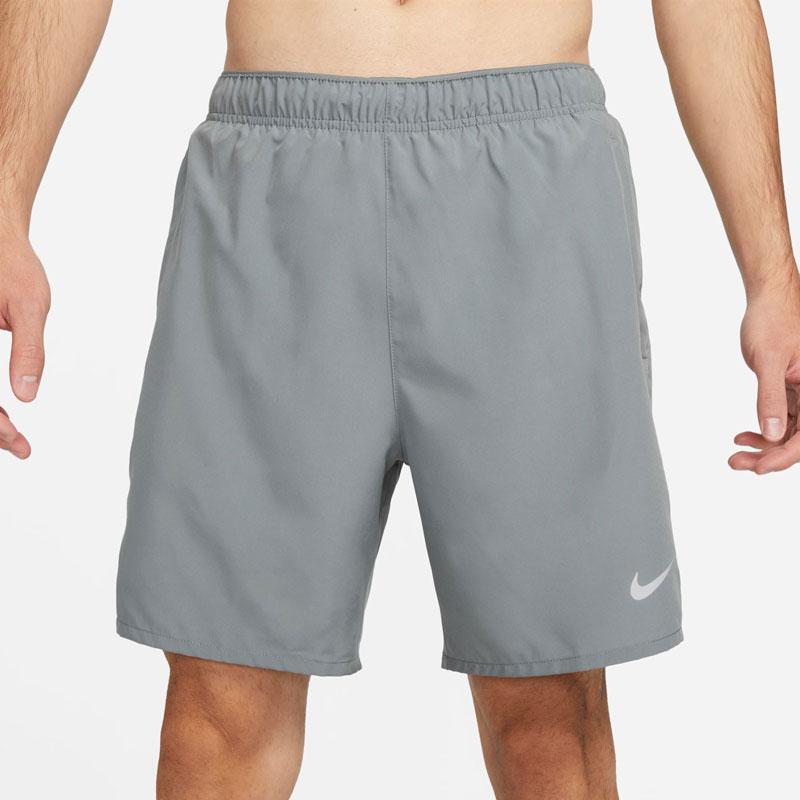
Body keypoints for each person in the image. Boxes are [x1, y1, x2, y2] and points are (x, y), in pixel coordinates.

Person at [1, 1, 798, 798]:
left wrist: (773, 276)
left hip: (529, 182)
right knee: (221, 707)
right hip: (275, 184)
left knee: (548, 712)